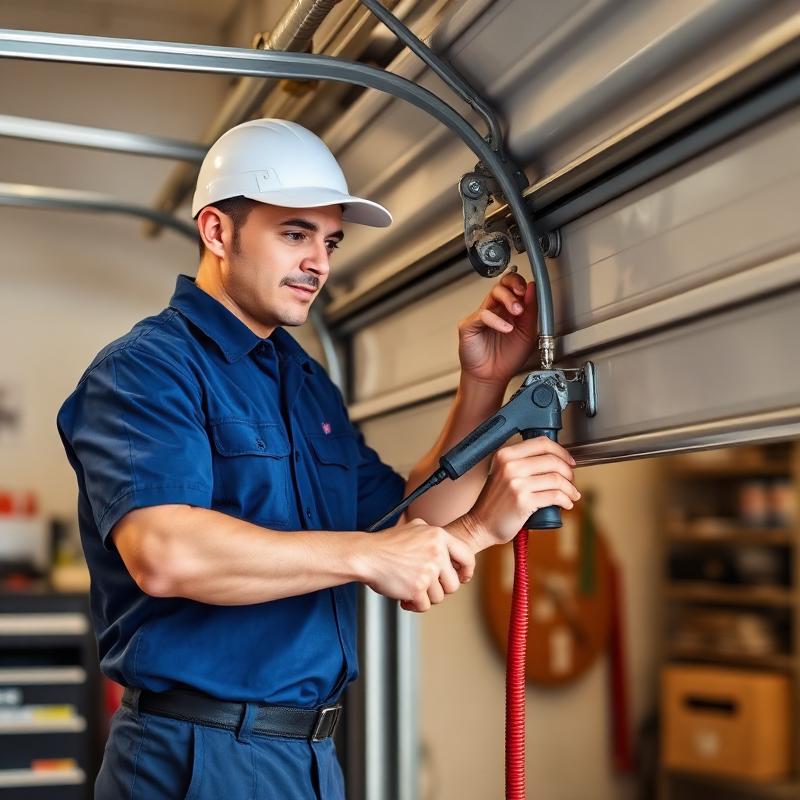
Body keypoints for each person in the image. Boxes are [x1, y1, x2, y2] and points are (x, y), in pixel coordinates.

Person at [57, 119, 580, 799]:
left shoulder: (303, 383)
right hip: (198, 760)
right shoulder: (147, 370)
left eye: (329, 241)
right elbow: (166, 552)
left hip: (309, 760)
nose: (320, 263)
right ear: (217, 232)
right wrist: (365, 556)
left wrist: (483, 385)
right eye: (295, 233)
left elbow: (410, 514)